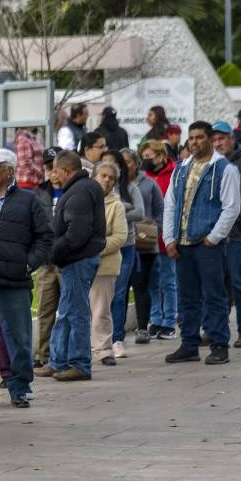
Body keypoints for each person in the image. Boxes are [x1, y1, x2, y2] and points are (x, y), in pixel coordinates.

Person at [0, 148, 52, 408]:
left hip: (15, 282)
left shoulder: (28, 200)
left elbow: (45, 237)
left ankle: (20, 386)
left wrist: (28, 264)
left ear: (10, 171)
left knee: (19, 338)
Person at [161, 121, 241, 366]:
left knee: (214, 295)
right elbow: (171, 204)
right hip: (183, 243)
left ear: (210, 139)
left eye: (199, 137)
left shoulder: (223, 168)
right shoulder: (181, 168)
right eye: (191, 138)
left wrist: (213, 237)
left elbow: (231, 207)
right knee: (187, 297)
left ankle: (219, 345)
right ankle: (189, 344)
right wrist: (169, 238)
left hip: (207, 245)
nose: (194, 142)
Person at [45, 151, 104, 381]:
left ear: (66, 170)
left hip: (77, 259)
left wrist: (54, 251)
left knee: (76, 312)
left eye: (56, 170)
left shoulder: (79, 191)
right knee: (66, 312)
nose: (52, 174)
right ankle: (58, 360)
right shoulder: (80, 188)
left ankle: (79, 363)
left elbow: (76, 233)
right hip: (75, 259)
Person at [210, 121, 241, 348]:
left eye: (221, 138)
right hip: (212, 238)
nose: (218, 143)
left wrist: (232, 220)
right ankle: (214, 330)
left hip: (236, 236)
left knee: (239, 285)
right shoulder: (210, 165)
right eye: (214, 139)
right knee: (214, 287)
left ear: (232, 138)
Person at [100, 150, 143, 358]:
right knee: (99, 296)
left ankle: (116, 338)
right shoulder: (94, 190)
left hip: (125, 245)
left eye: (113, 165)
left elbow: (140, 212)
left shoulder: (129, 189)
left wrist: (119, 211)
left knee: (119, 293)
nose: (108, 173)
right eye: (105, 165)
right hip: (100, 248)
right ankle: (100, 338)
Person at [89, 161, 129, 367]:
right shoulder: (84, 200)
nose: (106, 180)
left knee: (101, 310)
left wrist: (94, 249)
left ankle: (103, 350)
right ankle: (80, 349)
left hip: (104, 266)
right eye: (102, 175)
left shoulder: (116, 206)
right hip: (79, 264)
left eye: (110, 177)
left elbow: (120, 236)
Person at [124, 149, 162, 345]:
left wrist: (156, 228)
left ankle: (142, 328)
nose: (125, 165)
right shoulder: (115, 184)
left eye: (129, 162)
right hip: (121, 243)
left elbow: (160, 209)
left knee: (141, 285)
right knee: (121, 288)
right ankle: (117, 332)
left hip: (144, 246)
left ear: (137, 164)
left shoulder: (149, 183)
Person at [141, 140, 178, 339]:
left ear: (161, 156)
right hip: (147, 235)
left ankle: (170, 320)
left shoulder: (174, 173)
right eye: (144, 157)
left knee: (168, 279)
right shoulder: (144, 176)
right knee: (152, 281)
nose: (146, 161)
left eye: (150, 157)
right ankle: (155, 319)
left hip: (167, 234)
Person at [32, 147, 62, 372]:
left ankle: (65, 353)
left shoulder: (74, 190)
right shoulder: (39, 193)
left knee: (70, 311)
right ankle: (42, 354)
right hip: (45, 262)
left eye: (56, 167)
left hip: (68, 259)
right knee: (44, 309)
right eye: (49, 167)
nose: (53, 172)